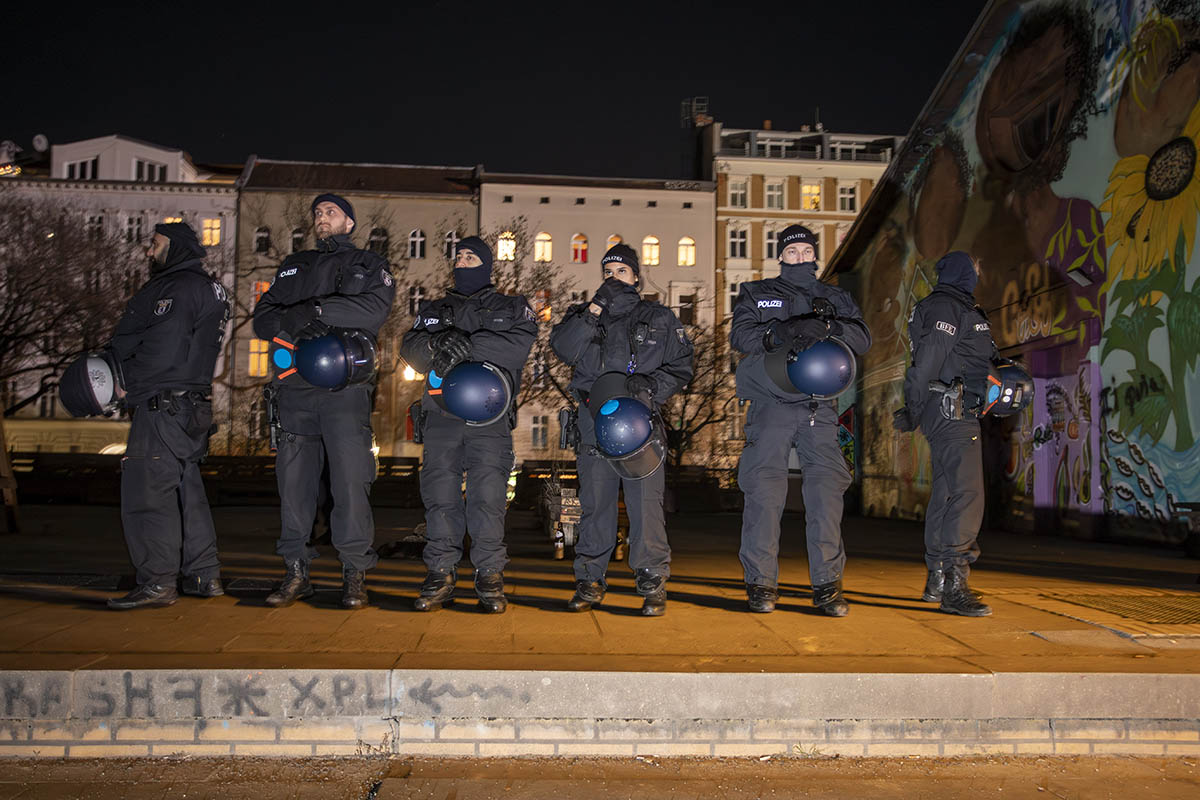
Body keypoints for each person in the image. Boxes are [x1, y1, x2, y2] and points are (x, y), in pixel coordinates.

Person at [252, 193, 396, 609]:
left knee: (350, 484)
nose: (322, 218)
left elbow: (372, 310)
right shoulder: (294, 266)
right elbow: (264, 318)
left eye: (331, 212)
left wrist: (315, 310)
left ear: (350, 223)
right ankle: (296, 571)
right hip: (296, 390)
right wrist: (292, 319)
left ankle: (354, 574)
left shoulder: (370, 266)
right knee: (294, 486)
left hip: (345, 393)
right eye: (318, 213)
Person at [730, 225, 871, 617]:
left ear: (814, 256)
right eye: (790, 251)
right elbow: (740, 336)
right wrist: (783, 331)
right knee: (763, 495)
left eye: (805, 250)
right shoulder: (757, 294)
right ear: (781, 256)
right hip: (771, 405)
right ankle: (760, 585)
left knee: (826, 498)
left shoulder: (835, 296)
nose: (798, 256)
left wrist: (829, 326)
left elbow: (862, 337)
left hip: (818, 408)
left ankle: (827, 587)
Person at [549, 244, 694, 616]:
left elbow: (682, 366)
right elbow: (562, 349)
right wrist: (595, 306)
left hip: (640, 422)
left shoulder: (658, 317)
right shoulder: (583, 314)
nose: (614, 278)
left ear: (636, 277)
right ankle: (590, 579)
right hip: (593, 420)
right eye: (608, 272)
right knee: (596, 504)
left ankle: (651, 580)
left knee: (645, 504)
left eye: (622, 272)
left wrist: (649, 387)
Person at [399, 236, 536, 613]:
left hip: (489, 419)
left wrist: (469, 345)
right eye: (458, 256)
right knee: (440, 497)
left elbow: (519, 347)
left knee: (488, 498)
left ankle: (489, 575)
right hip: (441, 417)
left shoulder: (511, 307)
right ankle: (440, 573)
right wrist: (439, 342)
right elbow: (410, 348)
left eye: (471, 255)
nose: (462, 260)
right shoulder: (434, 309)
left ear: (487, 264)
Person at [106, 222, 230, 610]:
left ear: (174, 248)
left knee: (148, 494)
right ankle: (202, 575)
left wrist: (127, 384)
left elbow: (163, 347)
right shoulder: (209, 288)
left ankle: (158, 583)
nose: (148, 252)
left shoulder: (172, 290)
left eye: (155, 245)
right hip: (190, 404)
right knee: (185, 491)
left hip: (160, 403)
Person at [892, 251, 993, 617]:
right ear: (964, 271)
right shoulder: (946, 307)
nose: (979, 273)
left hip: (954, 409)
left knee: (949, 494)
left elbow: (964, 360)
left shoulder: (959, 307)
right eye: (976, 268)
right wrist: (914, 409)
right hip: (951, 411)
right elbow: (926, 364)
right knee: (969, 494)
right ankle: (955, 583)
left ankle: (937, 578)